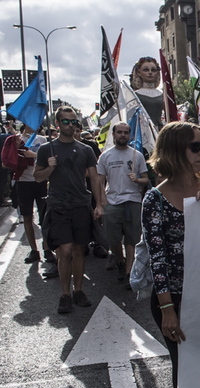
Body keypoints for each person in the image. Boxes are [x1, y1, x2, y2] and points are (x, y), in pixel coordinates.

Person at [141, 121, 200, 388]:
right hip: (175, 299)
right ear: (175, 151)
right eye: (195, 147)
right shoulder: (155, 199)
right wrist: (167, 310)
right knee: (186, 369)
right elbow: (158, 257)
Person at [34, 106, 105, 314]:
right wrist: (49, 168)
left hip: (81, 206)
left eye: (73, 121)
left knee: (78, 250)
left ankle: (78, 290)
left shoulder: (86, 149)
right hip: (59, 206)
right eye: (66, 121)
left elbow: (94, 178)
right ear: (57, 124)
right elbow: (38, 177)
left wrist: (99, 204)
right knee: (64, 250)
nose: (70, 125)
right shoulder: (46, 150)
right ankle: (64, 294)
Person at [97, 122, 149, 287]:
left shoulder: (137, 155)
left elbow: (146, 179)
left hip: (133, 201)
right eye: (119, 132)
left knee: (132, 239)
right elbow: (99, 181)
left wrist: (138, 179)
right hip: (112, 202)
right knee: (113, 240)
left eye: (126, 132)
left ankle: (128, 273)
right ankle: (120, 261)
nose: (123, 135)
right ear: (113, 134)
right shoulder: (105, 156)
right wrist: (100, 202)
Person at [1, 124, 54, 264]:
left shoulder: (42, 140)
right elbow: (5, 163)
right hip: (23, 182)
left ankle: (48, 249)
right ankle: (34, 250)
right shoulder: (14, 140)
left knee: (44, 217)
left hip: (40, 181)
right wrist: (16, 151)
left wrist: (34, 155)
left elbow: (50, 160)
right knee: (27, 217)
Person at [131, 56, 164, 130]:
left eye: (153, 70)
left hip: (159, 129)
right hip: (141, 130)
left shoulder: (163, 94)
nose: (150, 73)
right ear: (139, 72)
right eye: (146, 70)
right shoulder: (134, 95)